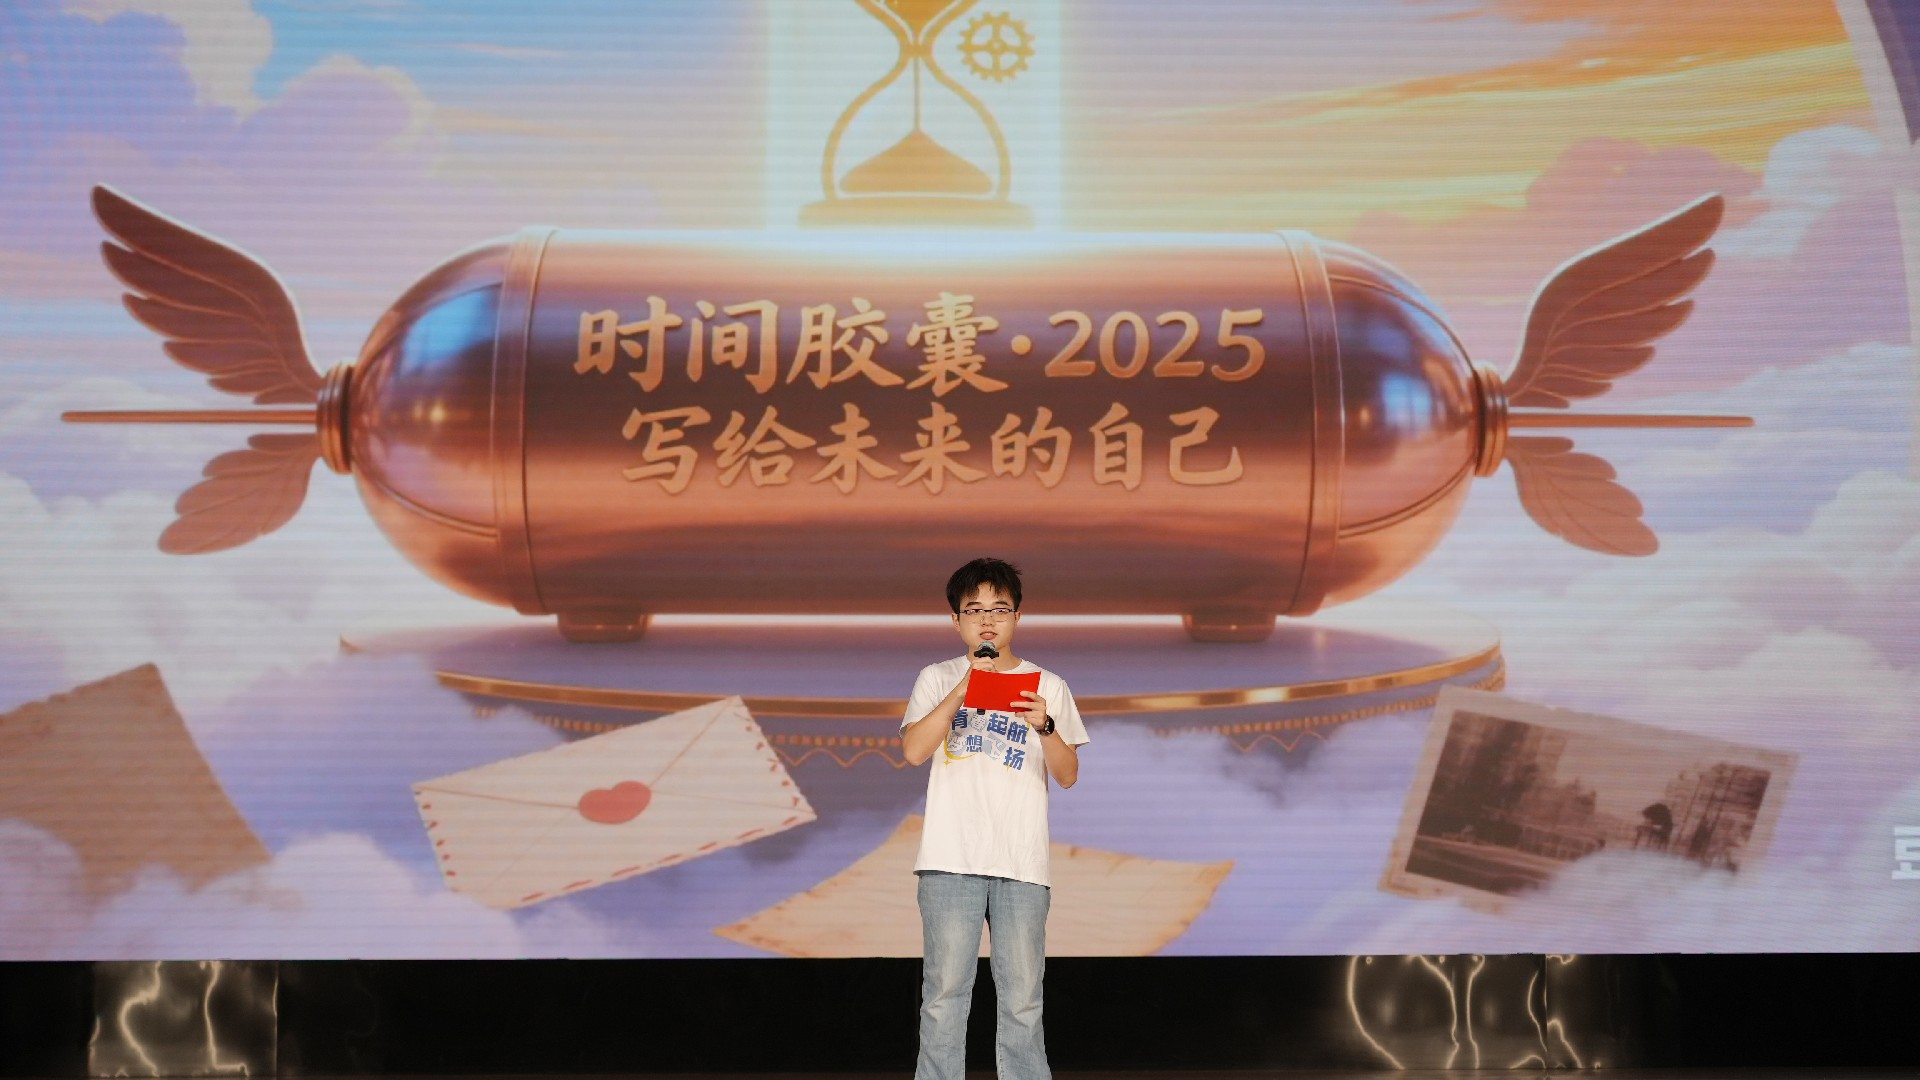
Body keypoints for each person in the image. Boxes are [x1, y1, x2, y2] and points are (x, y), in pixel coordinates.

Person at [899, 557, 1089, 1080]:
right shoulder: (936, 677)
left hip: (1021, 862)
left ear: (1017, 617)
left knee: (1023, 999)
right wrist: (963, 690)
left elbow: (1068, 774)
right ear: (956, 620)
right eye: (974, 610)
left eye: (1000, 609)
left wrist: (1045, 725)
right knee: (943, 995)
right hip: (949, 859)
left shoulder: (1047, 684)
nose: (987, 620)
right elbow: (914, 750)